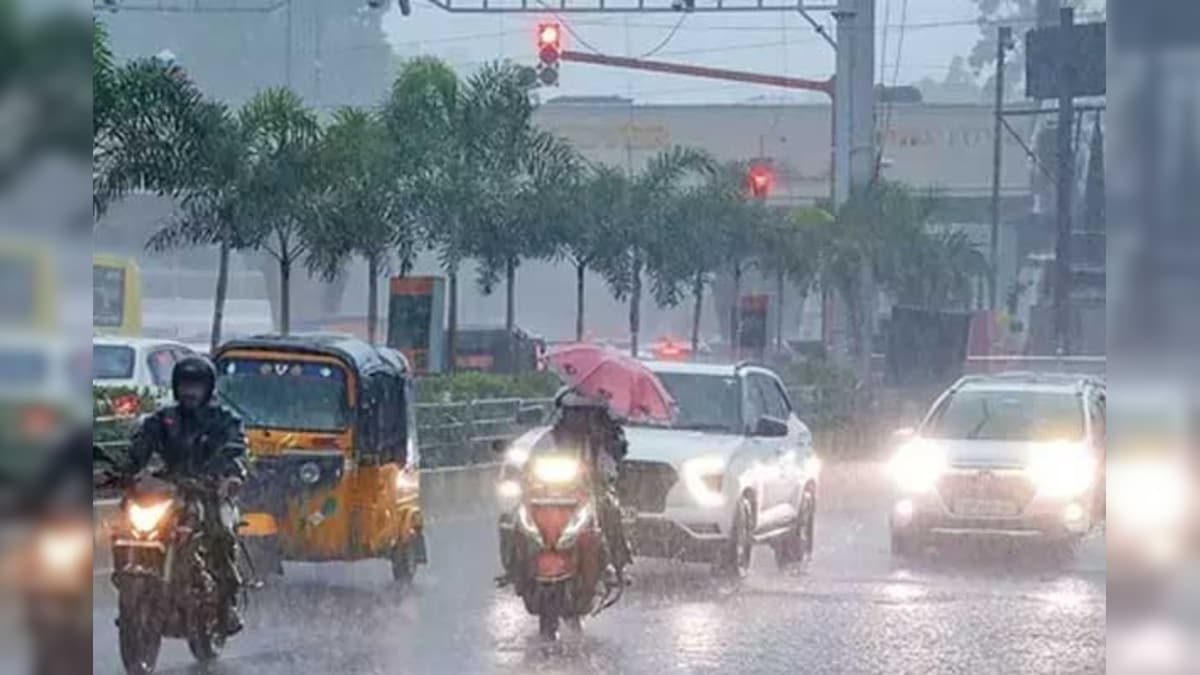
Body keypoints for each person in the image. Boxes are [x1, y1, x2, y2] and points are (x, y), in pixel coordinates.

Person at [118, 356, 248, 635]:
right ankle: (130, 589)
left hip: (209, 490)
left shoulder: (224, 419)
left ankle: (227, 606)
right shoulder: (162, 419)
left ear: (208, 388)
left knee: (221, 534)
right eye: (185, 385)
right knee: (128, 520)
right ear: (176, 386)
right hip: (171, 487)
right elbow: (139, 449)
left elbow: (236, 449)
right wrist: (121, 471)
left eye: (197, 385)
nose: (190, 391)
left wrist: (230, 475)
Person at [549, 389, 634, 577]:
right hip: (561, 479)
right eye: (573, 413)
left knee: (608, 508)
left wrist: (607, 443)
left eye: (585, 413)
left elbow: (619, 446)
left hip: (595, 478)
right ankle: (518, 564)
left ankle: (618, 562)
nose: (579, 418)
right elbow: (548, 441)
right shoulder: (563, 406)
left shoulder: (608, 414)